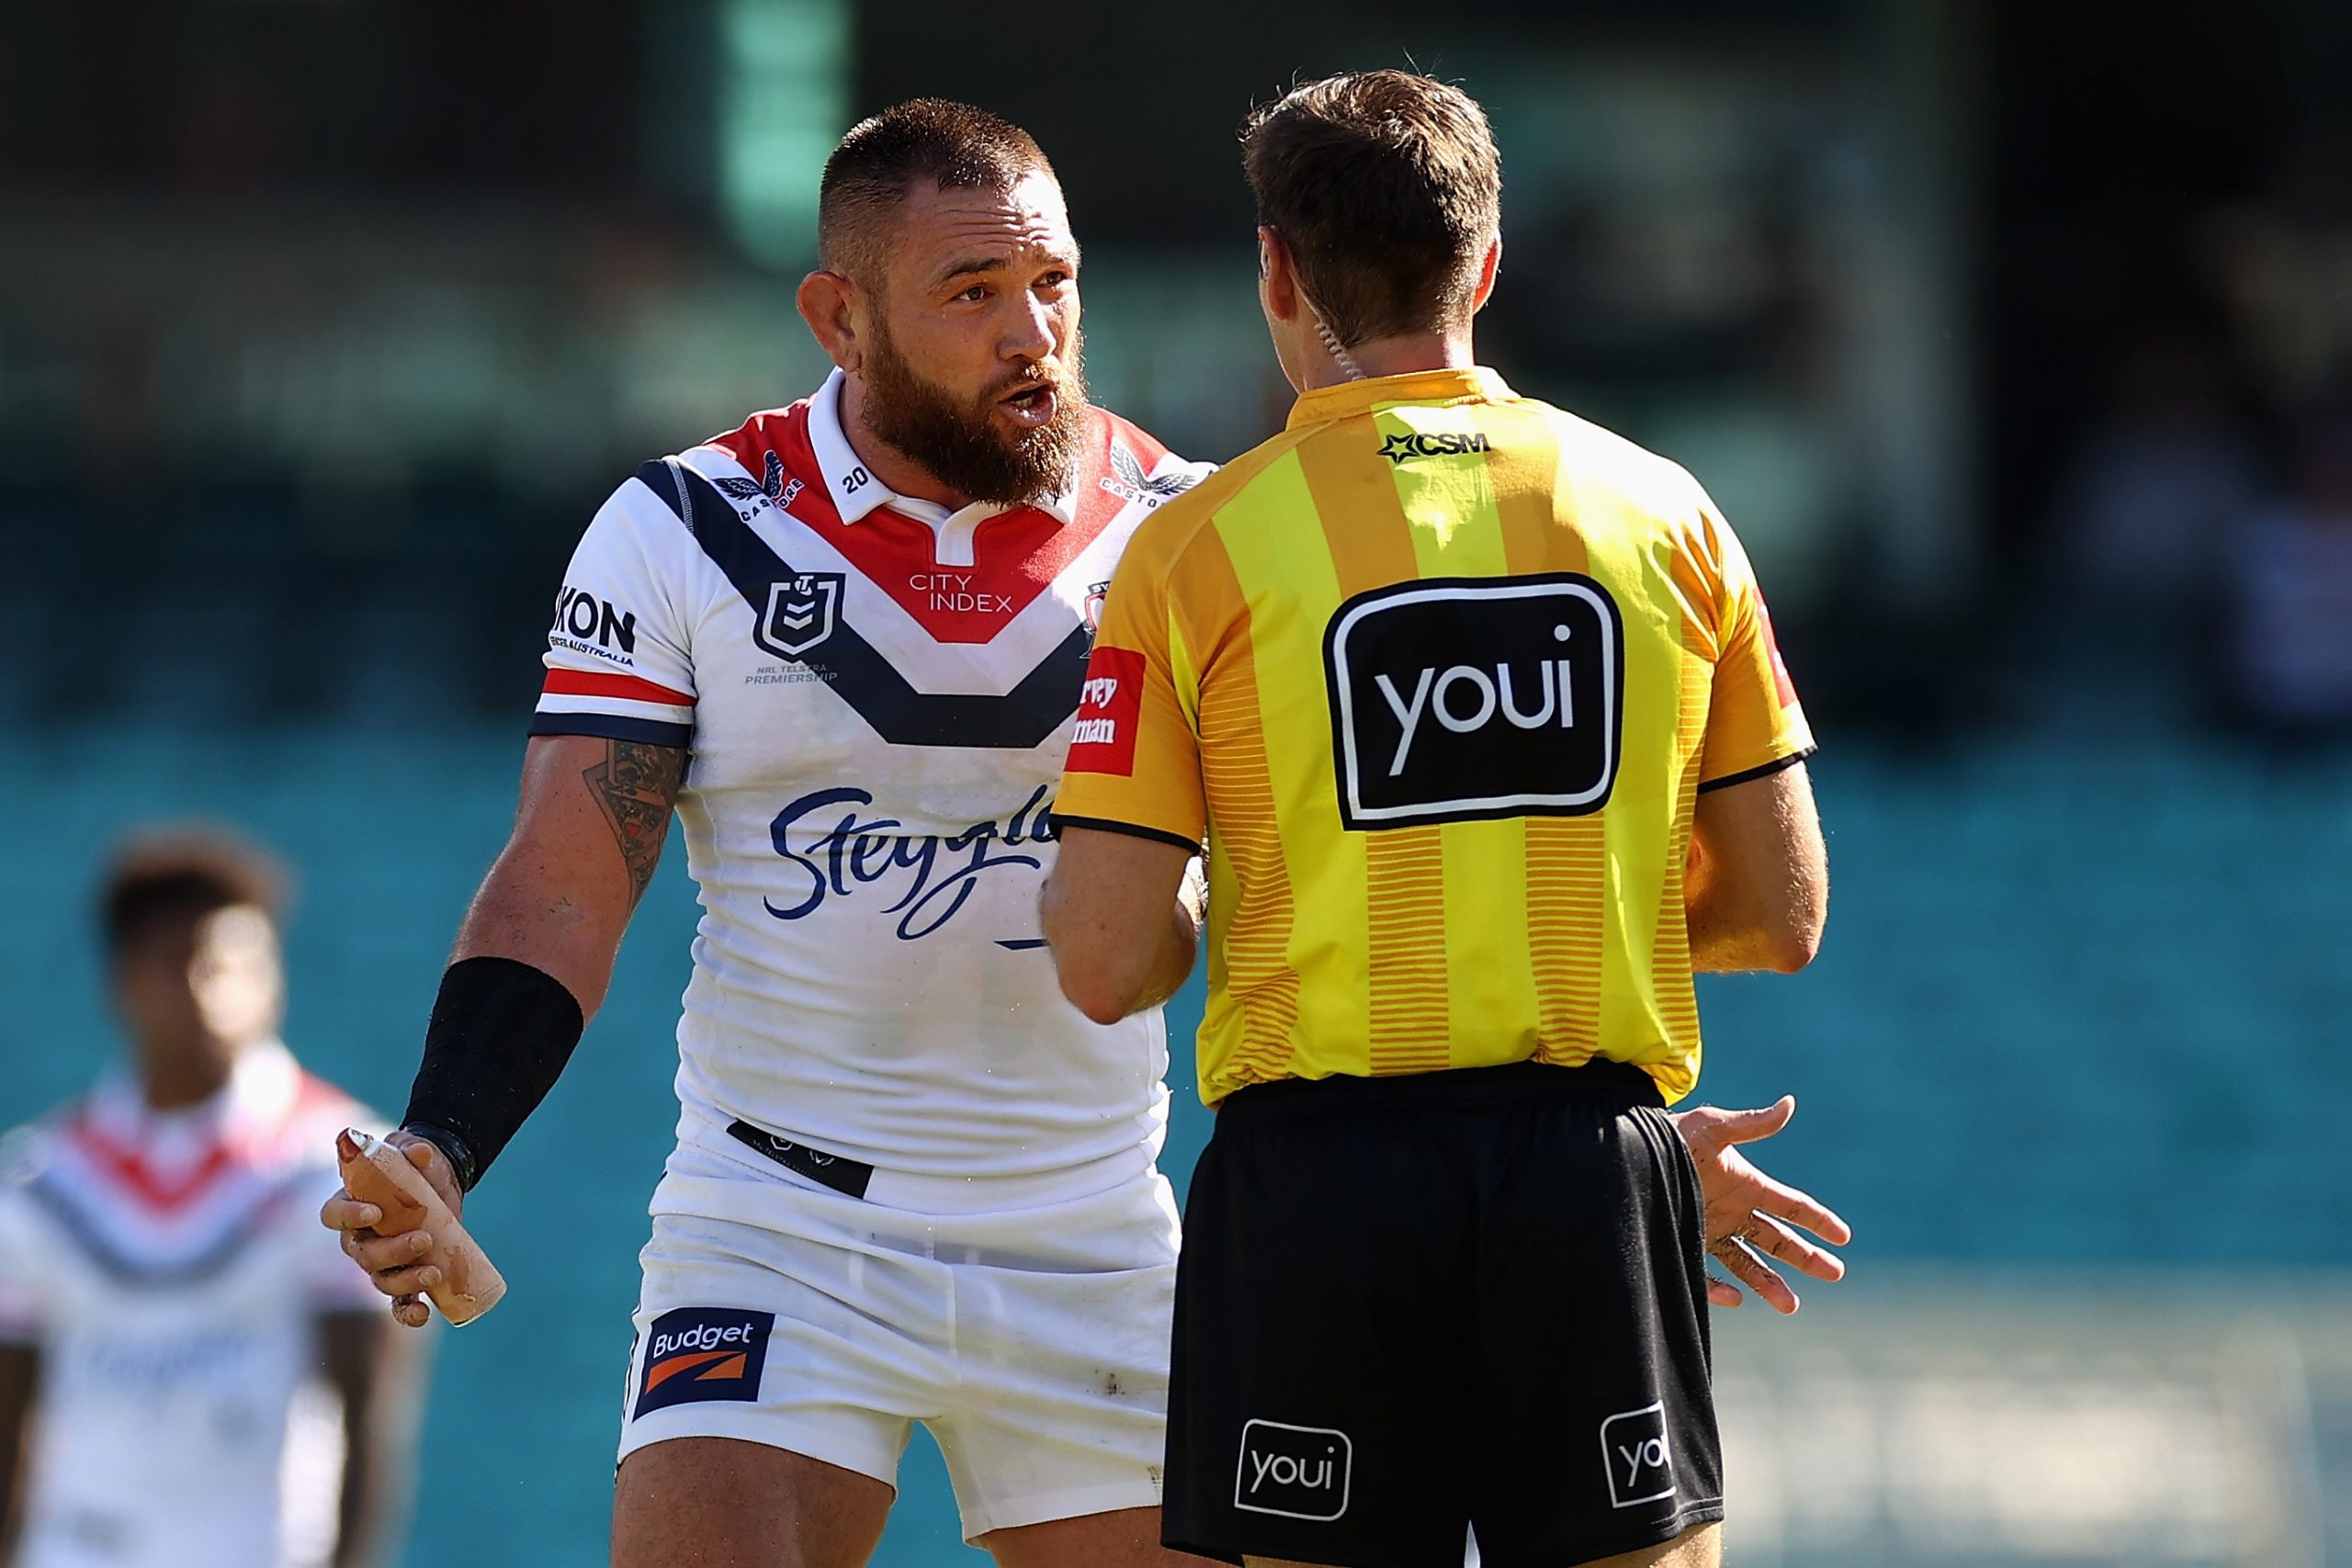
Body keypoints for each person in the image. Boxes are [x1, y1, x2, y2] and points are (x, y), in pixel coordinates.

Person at [319, 98, 1840, 1568]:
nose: (1032, 331)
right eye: (972, 291)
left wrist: (1584, 1149)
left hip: (1097, 1229)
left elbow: (1393, 892)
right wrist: (447, 1138)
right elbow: (567, 879)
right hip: (778, 1217)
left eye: (1054, 282)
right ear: (839, 318)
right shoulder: (684, 530)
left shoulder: (1197, 530)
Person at [1041, 72, 1837, 1568]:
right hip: (1588, 1177)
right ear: (1487, 263)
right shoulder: (1666, 511)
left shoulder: (1189, 550)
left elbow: (1103, 957)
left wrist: (1269, 897)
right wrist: (1549, 975)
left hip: (1313, 1190)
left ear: (1278, 271)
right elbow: (1782, 910)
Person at [0, 831, 421, 1568]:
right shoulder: (37, 1185)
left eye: (238, 965)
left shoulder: (340, 1170)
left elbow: (371, 1414)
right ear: (123, 981)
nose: (211, 990)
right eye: (179, 962)